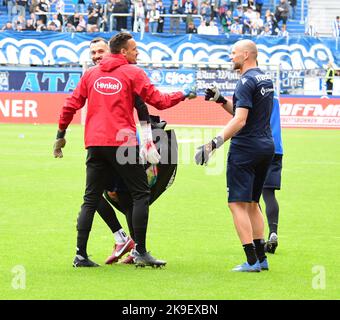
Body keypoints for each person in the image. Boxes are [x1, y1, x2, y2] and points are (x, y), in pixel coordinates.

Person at [53, 32, 196, 268]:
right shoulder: (132, 73)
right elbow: (158, 100)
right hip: (123, 143)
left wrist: (60, 135)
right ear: (123, 52)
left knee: (90, 199)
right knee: (140, 194)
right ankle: (140, 251)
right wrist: (182, 94)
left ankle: (80, 255)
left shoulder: (90, 74)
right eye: (134, 49)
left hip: (95, 144)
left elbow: (71, 104)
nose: (137, 52)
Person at [196, 39, 274, 272]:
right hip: (265, 146)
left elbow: (240, 120)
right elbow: (244, 112)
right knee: (252, 203)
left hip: (245, 148)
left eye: (234, 53)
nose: (231, 57)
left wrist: (212, 144)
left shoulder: (244, 82)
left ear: (247, 55)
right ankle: (262, 259)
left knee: (236, 204)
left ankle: (251, 261)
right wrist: (220, 100)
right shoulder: (265, 79)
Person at [262, 93, 283, 254]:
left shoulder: (255, 93)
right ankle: (273, 231)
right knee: (269, 194)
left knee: (252, 196)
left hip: (260, 144)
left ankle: (259, 238)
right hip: (277, 148)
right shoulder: (274, 97)